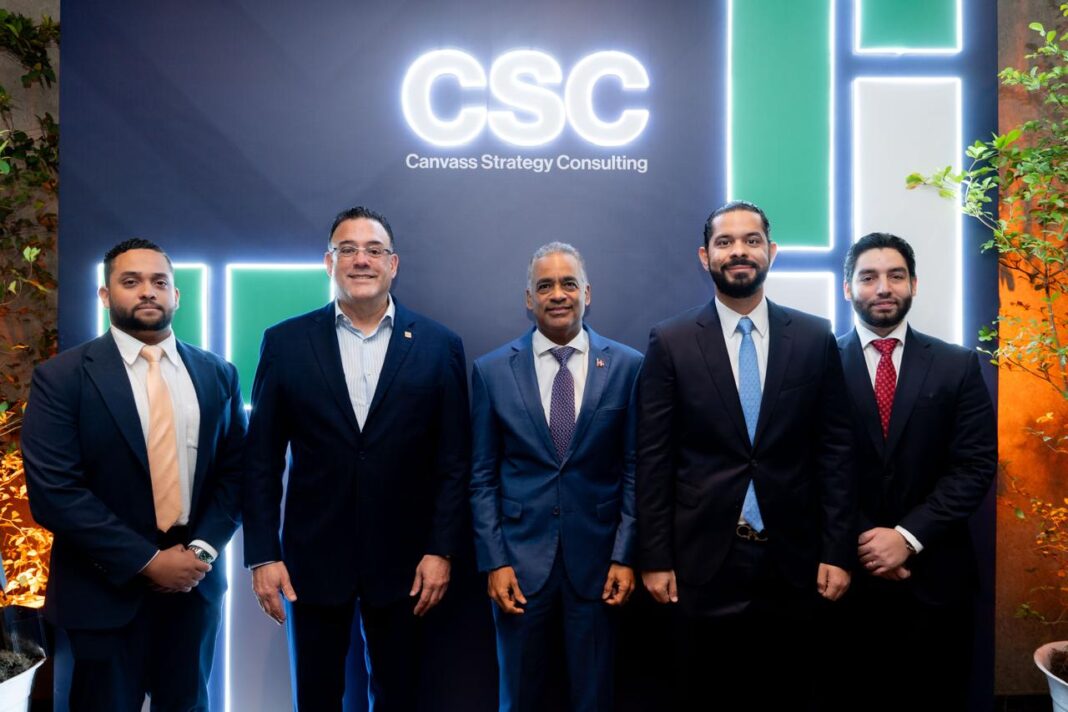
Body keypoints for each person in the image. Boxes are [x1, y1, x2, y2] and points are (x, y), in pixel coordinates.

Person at [242, 206, 470, 711]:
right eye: (347, 249)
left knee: (401, 697)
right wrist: (263, 555)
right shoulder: (285, 343)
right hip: (311, 564)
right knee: (316, 698)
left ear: (393, 263)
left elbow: (455, 462)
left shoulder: (439, 346)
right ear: (329, 263)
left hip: (408, 565)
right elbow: (260, 461)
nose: (360, 260)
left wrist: (442, 550)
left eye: (373, 250)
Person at [636, 200, 855, 709]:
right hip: (702, 561)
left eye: (751, 240)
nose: (739, 251)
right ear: (705, 256)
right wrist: (655, 557)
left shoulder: (814, 337)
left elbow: (836, 453)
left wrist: (837, 551)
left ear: (771, 252)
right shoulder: (671, 342)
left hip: (794, 561)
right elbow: (653, 457)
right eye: (725, 242)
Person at [21, 239, 245, 711]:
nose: (147, 291)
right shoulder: (61, 378)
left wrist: (201, 552)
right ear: (105, 295)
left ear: (176, 295)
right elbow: (56, 493)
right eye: (131, 281)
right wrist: (148, 561)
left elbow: (236, 475)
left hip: (193, 590)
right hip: (99, 593)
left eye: (159, 281)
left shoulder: (218, 374)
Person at [469, 242, 642, 712]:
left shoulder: (628, 366)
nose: (558, 294)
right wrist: (494, 562)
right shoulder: (491, 371)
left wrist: (625, 555)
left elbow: (635, 470)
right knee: (519, 698)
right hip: (518, 568)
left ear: (587, 293)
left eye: (568, 283)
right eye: (545, 286)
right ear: (529, 299)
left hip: (599, 567)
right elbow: (481, 477)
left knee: (594, 699)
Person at [829, 232, 996, 711]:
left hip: (937, 581)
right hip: (845, 582)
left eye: (896, 276)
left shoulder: (957, 365)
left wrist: (906, 536)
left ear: (914, 284)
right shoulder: (818, 365)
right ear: (848, 288)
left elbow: (974, 465)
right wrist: (867, 540)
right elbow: (808, 467)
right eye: (869, 277)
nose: (883, 287)